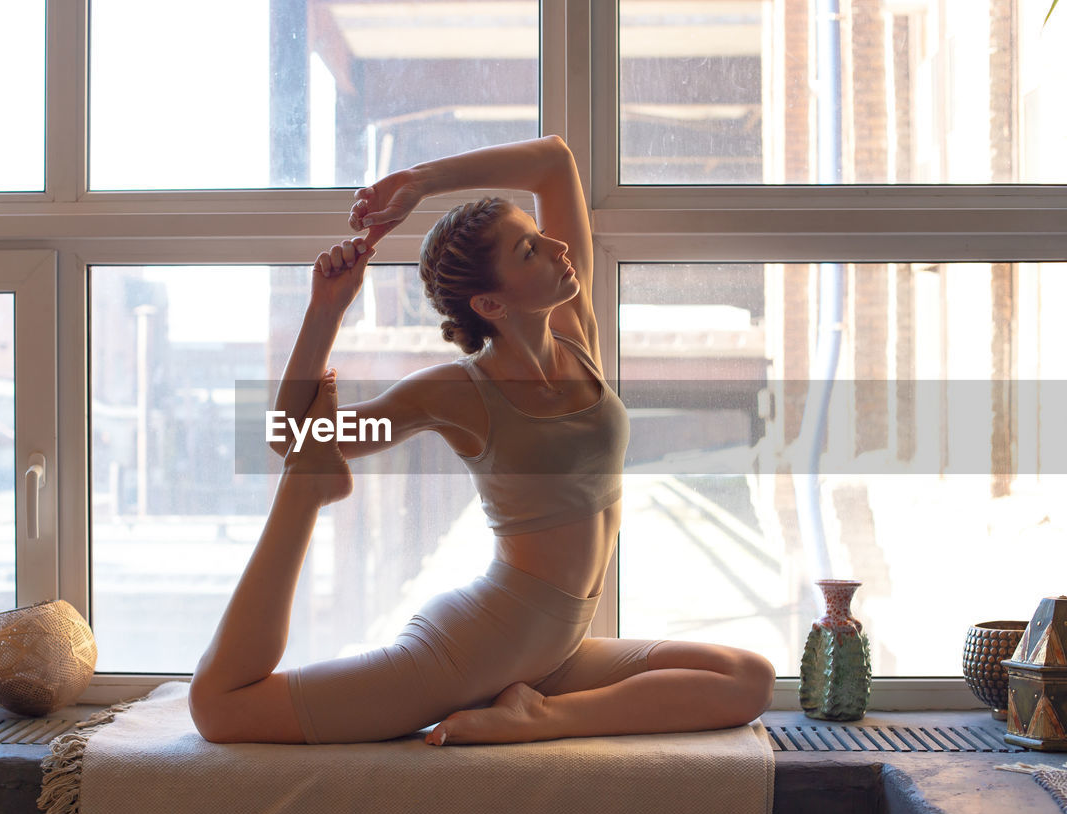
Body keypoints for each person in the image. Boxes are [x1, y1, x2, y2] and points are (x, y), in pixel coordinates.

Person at [189, 135, 775, 745]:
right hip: (473, 649)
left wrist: (419, 181)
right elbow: (292, 437)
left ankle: (540, 717)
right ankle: (313, 501)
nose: (557, 247)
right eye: (530, 250)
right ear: (491, 302)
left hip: (555, 652)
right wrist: (326, 311)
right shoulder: (457, 392)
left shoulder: (575, 335)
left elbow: (554, 161)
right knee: (221, 709)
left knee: (747, 679)